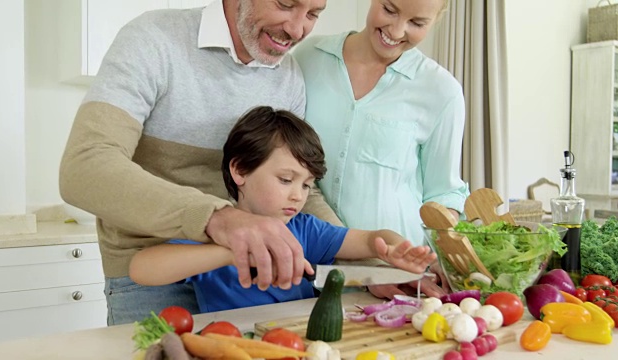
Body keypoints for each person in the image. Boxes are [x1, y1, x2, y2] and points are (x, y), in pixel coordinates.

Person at [59, 0, 339, 325]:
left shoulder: (287, 76)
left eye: (313, 14)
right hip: (153, 273)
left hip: (245, 275)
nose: (297, 28)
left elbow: (303, 186)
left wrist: (365, 267)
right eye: (285, 4)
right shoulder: (153, 39)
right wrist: (218, 219)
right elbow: (84, 168)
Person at [128, 106, 437, 312]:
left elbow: (371, 240)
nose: (297, 196)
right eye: (286, 179)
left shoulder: (305, 228)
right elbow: (141, 269)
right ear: (240, 171)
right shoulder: (215, 232)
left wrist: (394, 249)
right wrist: (236, 250)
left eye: (306, 185)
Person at [292, 0, 469, 299]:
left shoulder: (442, 91)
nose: (397, 30)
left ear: (436, 21)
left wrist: (445, 257)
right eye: (389, 10)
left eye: (417, 23)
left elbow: (443, 193)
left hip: (397, 275)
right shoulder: (308, 58)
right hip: (312, 263)